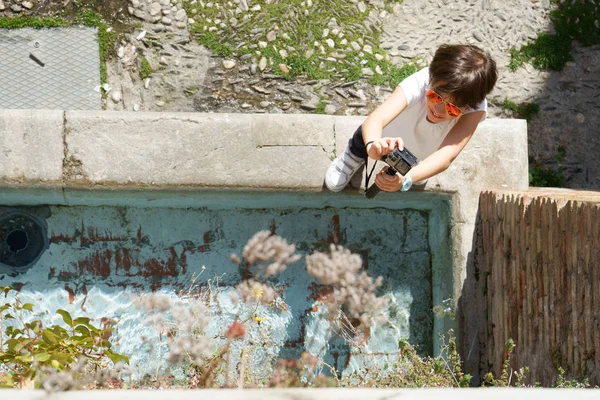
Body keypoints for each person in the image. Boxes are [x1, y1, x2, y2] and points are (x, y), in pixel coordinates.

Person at [325, 44, 498, 193]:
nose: (438, 110)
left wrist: (407, 179)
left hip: (422, 150)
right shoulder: (421, 81)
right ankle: (353, 156)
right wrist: (371, 147)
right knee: (362, 141)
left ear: (472, 104)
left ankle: (415, 170)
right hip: (385, 135)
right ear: (432, 77)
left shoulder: (475, 109)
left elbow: (446, 157)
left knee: (418, 166)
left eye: (452, 109)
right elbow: (376, 119)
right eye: (436, 97)